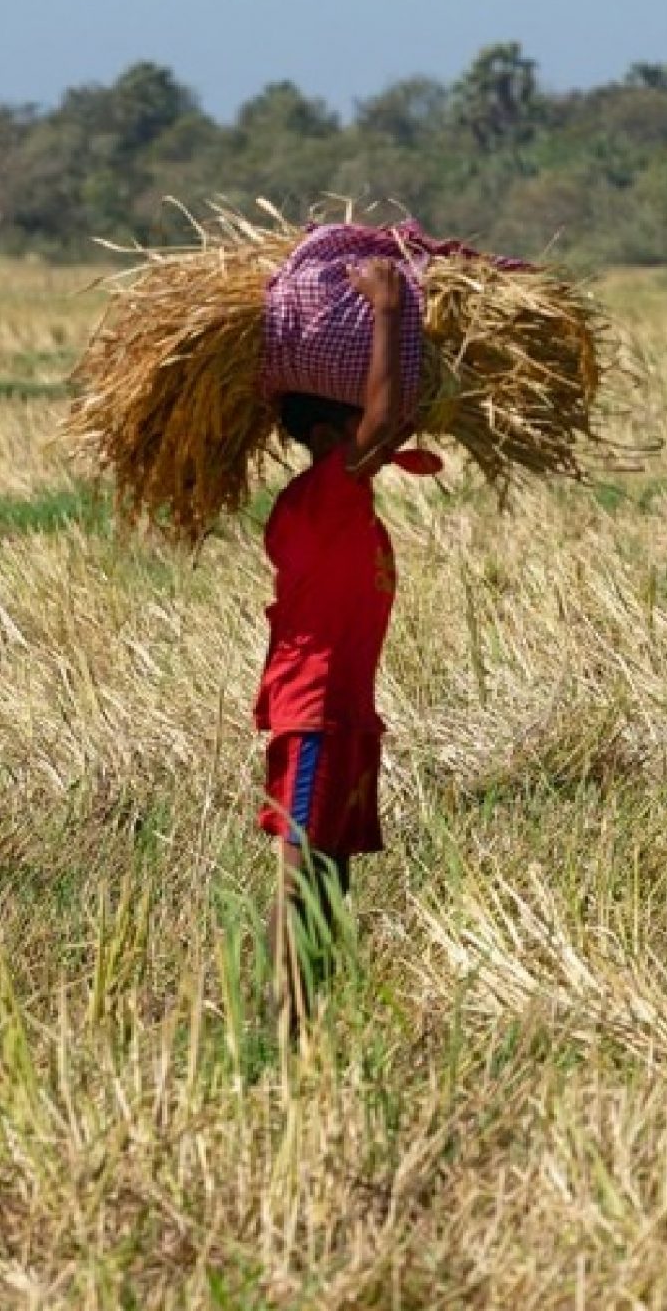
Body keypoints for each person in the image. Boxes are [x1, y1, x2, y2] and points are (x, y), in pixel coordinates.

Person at [254, 257, 433, 1027]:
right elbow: (386, 420)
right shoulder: (324, 494)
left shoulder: (344, 502)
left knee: (332, 878)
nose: (378, 442)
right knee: (302, 877)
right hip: (314, 715)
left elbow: (394, 420)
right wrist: (388, 310)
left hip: (348, 716)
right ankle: (280, 1031)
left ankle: (309, 1028)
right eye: (360, 430)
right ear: (332, 435)